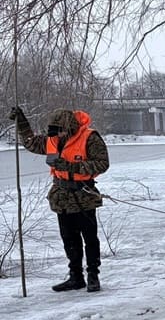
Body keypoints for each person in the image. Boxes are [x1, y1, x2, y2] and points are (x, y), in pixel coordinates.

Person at [9, 106, 109, 292]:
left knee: (90, 238)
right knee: (69, 239)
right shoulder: (53, 139)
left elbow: (102, 164)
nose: (59, 135)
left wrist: (71, 166)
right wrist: (21, 121)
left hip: (84, 195)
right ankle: (76, 277)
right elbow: (31, 143)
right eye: (56, 132)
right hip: (61, 197)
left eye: (62, 131)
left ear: (70, 127)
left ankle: (93, 275)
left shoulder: (90, 137)